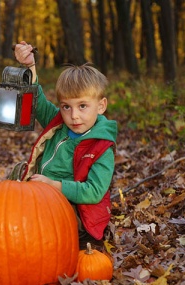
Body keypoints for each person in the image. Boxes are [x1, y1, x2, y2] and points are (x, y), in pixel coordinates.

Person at [13, 41, 118, 251]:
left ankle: (24, 246)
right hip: (43, 195)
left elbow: (94, 191)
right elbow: (38, 101)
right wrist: (30, 67)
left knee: (37, 221)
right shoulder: (59, 122)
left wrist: (54, 186)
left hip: (75, 213)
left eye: (82, 106)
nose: (73, 115)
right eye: (66, 107)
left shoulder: (101, 147)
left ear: (101, 106)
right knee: (14, 182)